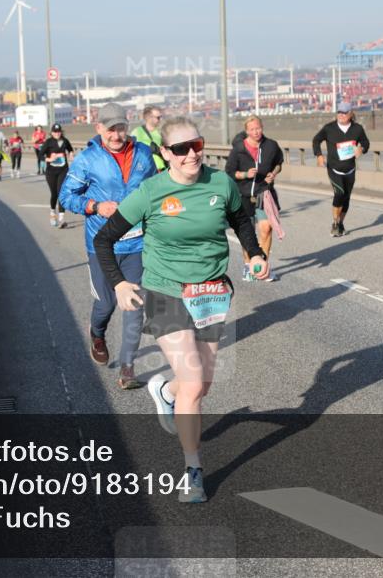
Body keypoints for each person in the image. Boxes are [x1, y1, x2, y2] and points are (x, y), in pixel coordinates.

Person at [94, 116, 269, 503]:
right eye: (181, 149)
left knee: (201, 385)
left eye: (197, 145)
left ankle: (164, 388)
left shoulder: (220, 183)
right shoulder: (151, 192)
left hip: (210, 294)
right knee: (193, 384)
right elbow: (105, 239)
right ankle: (193, 472)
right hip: (166, 293)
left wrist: (255, 252)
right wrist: (120, 283)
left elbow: (240, 220)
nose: (191, 154)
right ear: (165, 153)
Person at [59, 103, 157, 389]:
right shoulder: (87, 159)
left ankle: (128, 368)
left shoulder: (143, 154)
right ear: (99, 128)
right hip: (102, 244)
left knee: (134, 306)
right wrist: (95, 206)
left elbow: (155, 190)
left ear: (127, 126)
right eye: (110, 129)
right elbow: (67, 196)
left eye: (121, 128)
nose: (116, 135)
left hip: (136, 243)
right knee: (106, 304)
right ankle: (97, 333)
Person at [225, 116, 284, 281]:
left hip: (264, 192)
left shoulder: (271, 145)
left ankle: (262, 267)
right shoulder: (238, 149)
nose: (256, 132)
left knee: (266, 228)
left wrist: (273, 173)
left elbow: (279, 163)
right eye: (252, 129)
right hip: (243, 195)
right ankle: (248, 266)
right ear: (246, 131)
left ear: (262, 127)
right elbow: (229, 172)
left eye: (258, 128)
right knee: (247, 233)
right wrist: (245, 174)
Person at [312, 101, 370, 237]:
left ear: (351, 114)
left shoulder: (357, 129)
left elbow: (366, 142)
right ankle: (335, 222)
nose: (341, 115)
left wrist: (361, 148)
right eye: (339, 112)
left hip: (350, 169)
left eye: (344, 112)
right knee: (339, 193)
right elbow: (316, 140)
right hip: (334, 169)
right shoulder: (329, 128)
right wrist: (319, 155)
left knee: (346, 198)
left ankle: (341, 223)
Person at [41, 123, 74, 227]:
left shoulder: (65, 141)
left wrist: (71, 154)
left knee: (61, 193)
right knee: (54, 194)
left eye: (58, 131)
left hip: (63, 170)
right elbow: (40, 154)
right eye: (55, 132)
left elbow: (70, 149)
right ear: (51, 133)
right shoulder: (48, 142)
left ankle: (61, 219)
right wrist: (49, 159)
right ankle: (52, 213)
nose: (57, 133)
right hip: (51, 172)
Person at [131, 105, 166, 172]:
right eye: (158, 117)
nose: (160, 120)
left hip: (161, 169)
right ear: (149, 118)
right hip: (145, 170)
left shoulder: (161, 132)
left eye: (161, 117)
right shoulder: (137, 132)